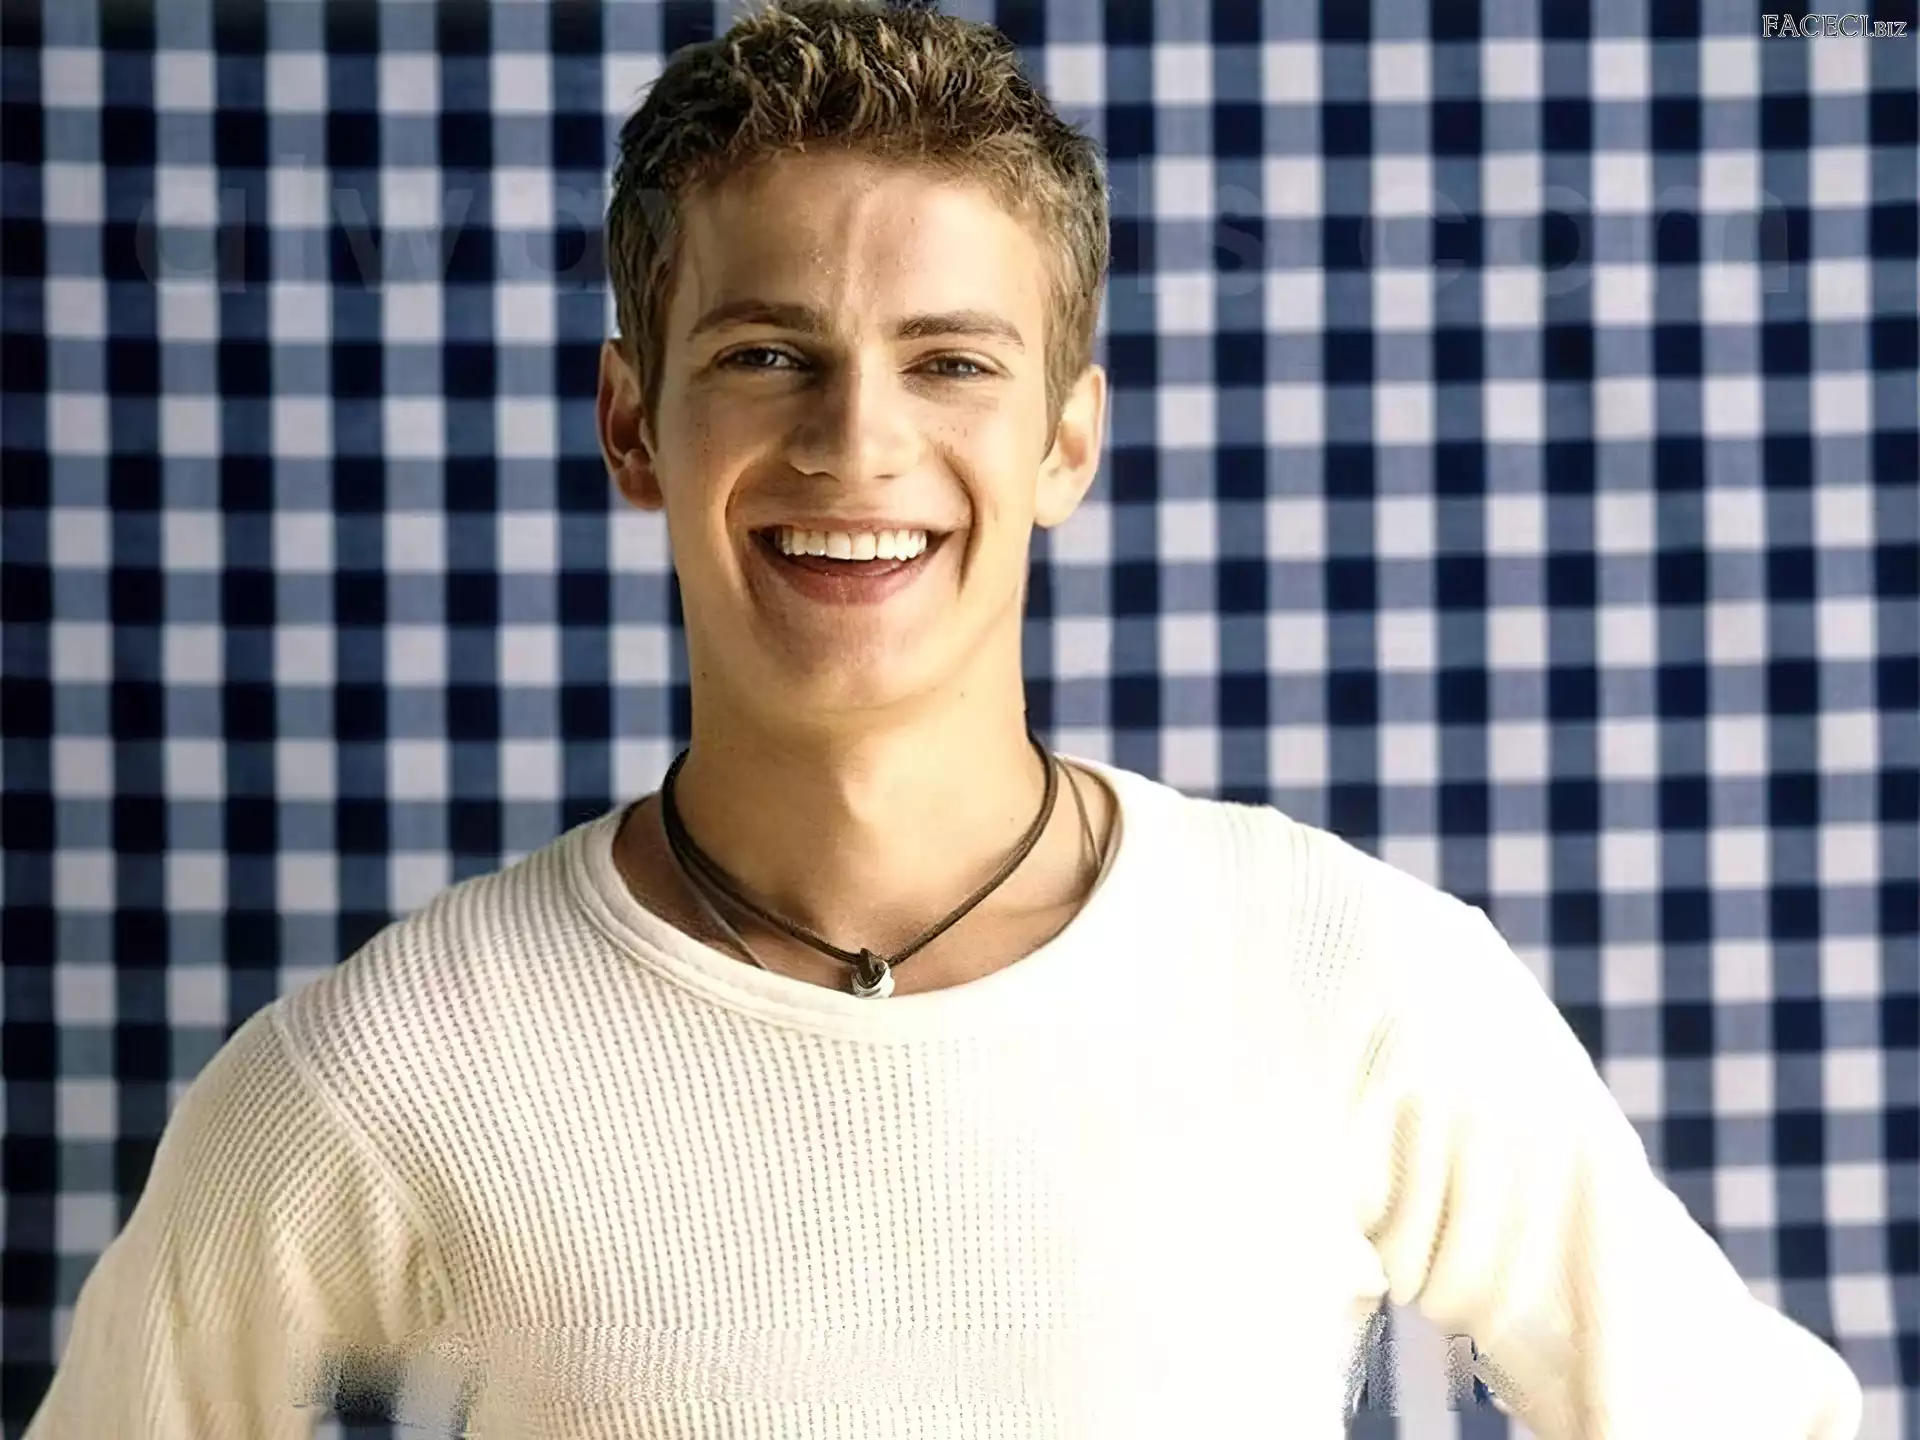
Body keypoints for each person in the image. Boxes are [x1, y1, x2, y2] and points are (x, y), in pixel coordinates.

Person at [25, 2, 1866, 1436]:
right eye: (768, 355)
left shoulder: (1360, 981)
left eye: (951, 361)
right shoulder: (380, 1071)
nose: (857, 445)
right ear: (633, 425)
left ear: (1065, 438)